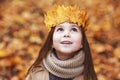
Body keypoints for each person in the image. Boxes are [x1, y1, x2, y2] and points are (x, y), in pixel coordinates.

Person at [26, 5, 98, 80]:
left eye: (73, 29)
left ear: (82, 42)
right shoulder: (36, 74)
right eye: (60, 29)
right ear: (51, 42)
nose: (66, 34)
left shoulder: (88, 76)